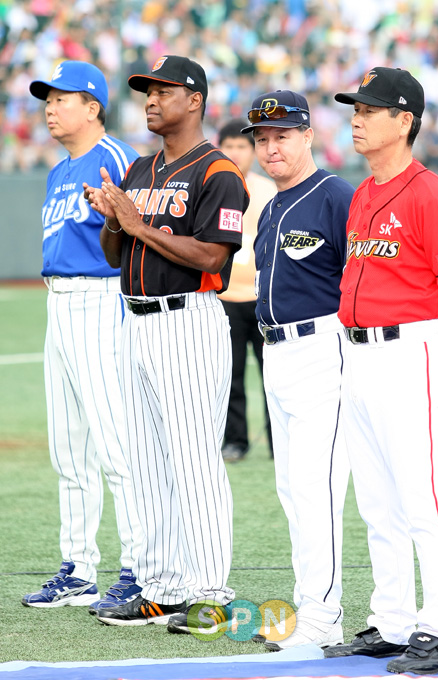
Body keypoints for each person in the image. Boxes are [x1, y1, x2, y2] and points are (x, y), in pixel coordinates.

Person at [83, 55, 249, 632]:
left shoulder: (217, 171)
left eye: (163, 90)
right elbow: (117, 255)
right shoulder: (139, 170)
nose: (151, 99)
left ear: (194, 100)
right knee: (148, 462)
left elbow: (212, 256)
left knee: (193, 462)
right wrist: (112, 219)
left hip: (189, 322)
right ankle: (161, 589)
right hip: (137, 322)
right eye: (146, 91)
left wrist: (137, 225)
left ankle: (210, 594)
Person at [325, 67, 438, 674]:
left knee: (421, 500)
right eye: (354, 108)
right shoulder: (363, 192)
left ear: (404, 120)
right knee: (377, 502)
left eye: (369, 108)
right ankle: (392, 622)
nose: (356, 118)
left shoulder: (431, 193)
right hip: (358, 354)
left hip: (410, 351)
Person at [23, 61, 143, 612]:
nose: (50, 107)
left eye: (61, 98)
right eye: (46, 99)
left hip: (101, 299)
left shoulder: (115, 158)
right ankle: (78, 570)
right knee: (68, 449)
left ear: (92, 106)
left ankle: (141, 569)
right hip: (58, 304)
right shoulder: (57, 171)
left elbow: (140, 236)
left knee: (118, 445)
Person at [241, 90, 354, 650]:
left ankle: (323, 617)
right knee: (292, 488)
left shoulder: (335, 195)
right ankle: (312, 605)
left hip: (323, 348)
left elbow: (363, 280)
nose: (271, 147)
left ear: (309, 135)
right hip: (278, 353)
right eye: (261, 139)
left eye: (282, 135)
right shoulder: (272, 205)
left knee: (317, 489)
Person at [217, 119, 276, 462]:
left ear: (253, 151)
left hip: (261, 298)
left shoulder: (268, 189)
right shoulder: (211, 186)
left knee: (273, 375)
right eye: (229, 145)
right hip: (224, 298)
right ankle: (235, 441)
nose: (235, 152)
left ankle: (277, 442)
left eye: (242, 146)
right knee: (231, 376)